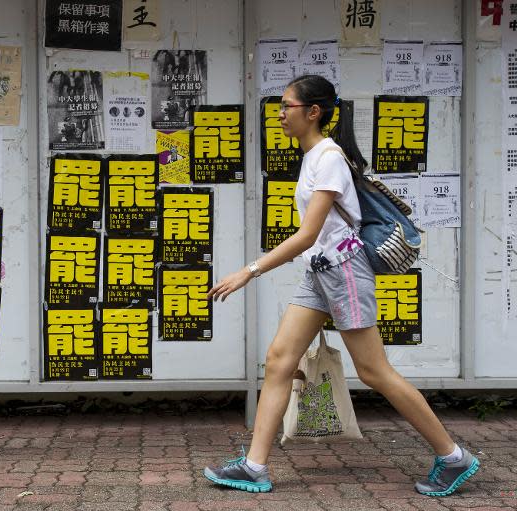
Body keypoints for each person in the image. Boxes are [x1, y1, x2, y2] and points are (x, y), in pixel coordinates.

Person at [202, 75, 480, 496]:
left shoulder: (328, 158)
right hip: (321, 271)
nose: (279, 115)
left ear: (313, 112)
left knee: (373, 371)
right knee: (279, 359)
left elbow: (309, 233)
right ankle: (255, 467)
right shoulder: (314, 156)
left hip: (345, 272)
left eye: (287, 107)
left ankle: (453, 456)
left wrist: (249, 271)